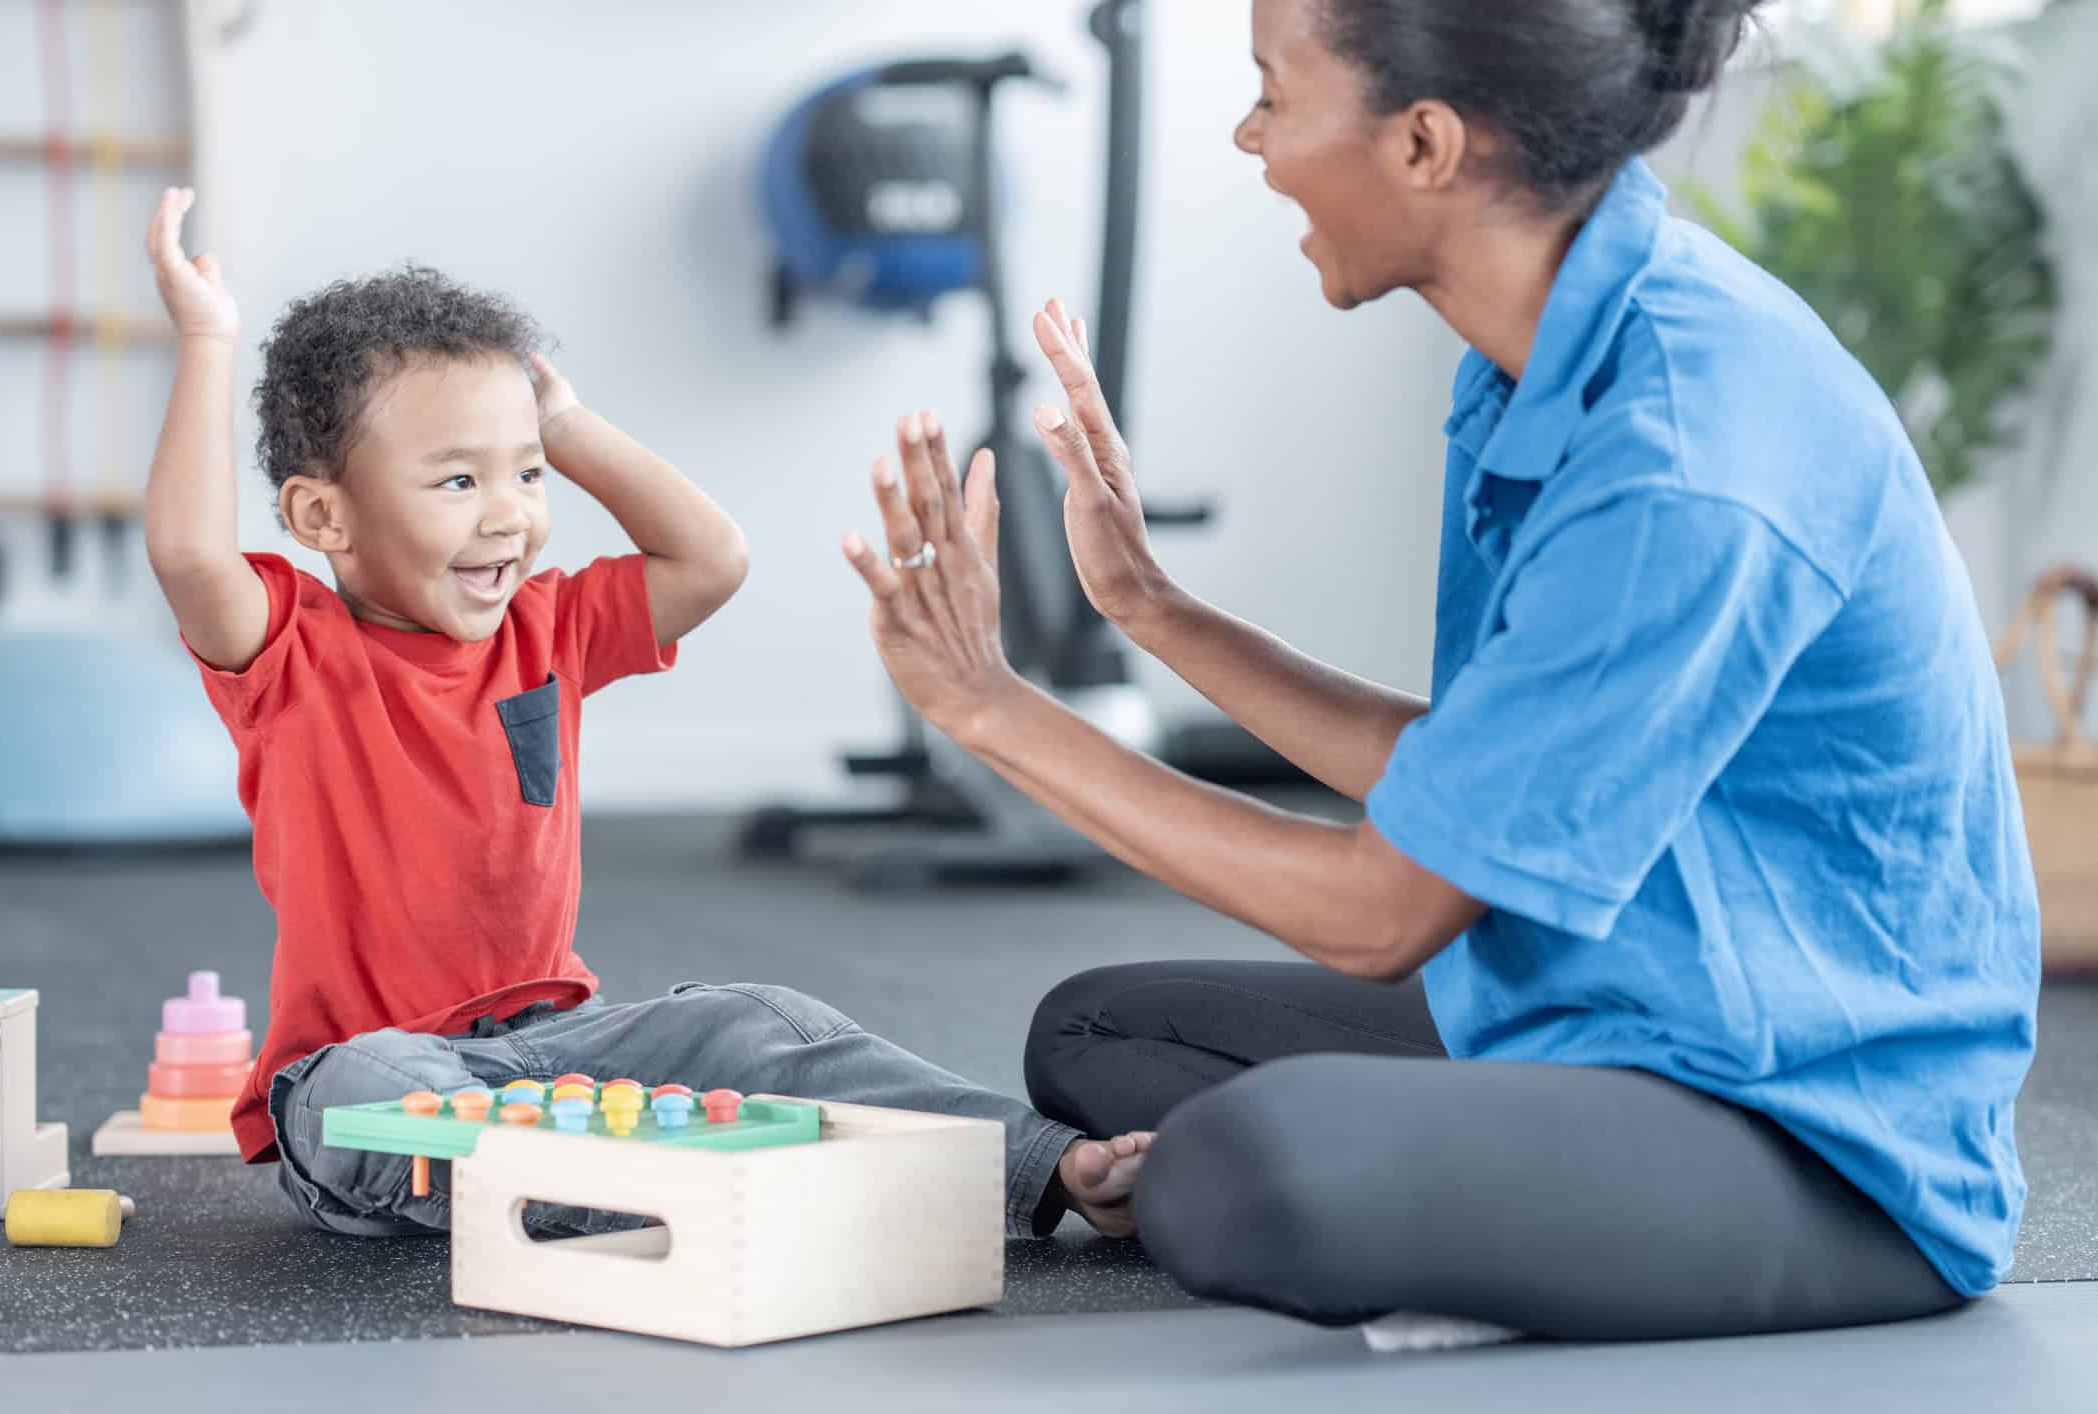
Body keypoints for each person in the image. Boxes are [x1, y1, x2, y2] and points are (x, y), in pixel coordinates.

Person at [840, 0, 2039, 1340]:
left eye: (1272, 95)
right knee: (1095, 1035)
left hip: (1817, 1128)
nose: (1251, 137)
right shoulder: (1539, 360)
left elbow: (1382, 909)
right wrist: (1150, 605)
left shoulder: (1686, 445)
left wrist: (991, 711)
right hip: (1628, 1002)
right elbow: (1470, 770)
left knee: (1242, 1174)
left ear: (1422, 142)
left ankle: (1464, 1192)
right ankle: (1483, 1189)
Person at [140, 186, 1151, 1241]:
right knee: (371, 1088)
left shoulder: (548, 625)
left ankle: (1046, 1166)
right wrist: (208, 341)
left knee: (757, 1023)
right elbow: (188, 556)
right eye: (456, 481)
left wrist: (568, 425)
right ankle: (665, 1181)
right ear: (321, 516)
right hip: (374, 1070)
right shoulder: (289, 648)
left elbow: (712, 558)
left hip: (565, 1054)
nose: (510, 513)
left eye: (525, 473)